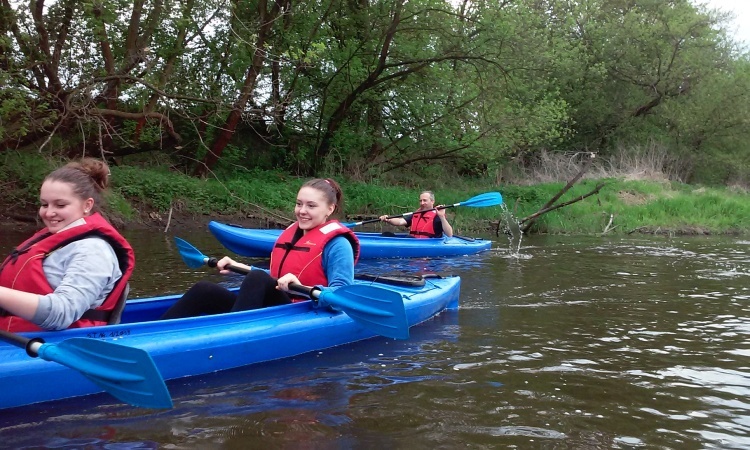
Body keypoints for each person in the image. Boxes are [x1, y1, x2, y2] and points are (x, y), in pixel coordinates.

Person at [160, 178, 360, 319]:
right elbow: (272, 277)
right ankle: (155, 335)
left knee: (256, 277)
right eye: (299, 204)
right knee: (204, 289)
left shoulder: (338, 244)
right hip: (277, 305)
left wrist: (306, 288)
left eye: (311, 206)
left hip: (303, 310)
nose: (302, 211)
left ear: (330, 209)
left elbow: (341, 297)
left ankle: (231, 334)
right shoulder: (294, 233)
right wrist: (240, 267)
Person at [0, 158, 134, 332]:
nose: (48, 213)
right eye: (44, 204)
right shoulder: (57, 242)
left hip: (50, 344)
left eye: (60, 205)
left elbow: (62, 313)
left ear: (87, 205)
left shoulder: (93, 252)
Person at [379, 190, 454, 238]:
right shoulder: (416, 214)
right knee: (386, 234)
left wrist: (442, 217)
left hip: (427, 245)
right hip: (412, 242)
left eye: (425, 200)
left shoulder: (437, 216)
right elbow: (400, 221)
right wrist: (388, 219)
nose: (422, 203)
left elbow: (449, 234)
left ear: (432, 201)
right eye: (420, 201)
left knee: (409, 238)